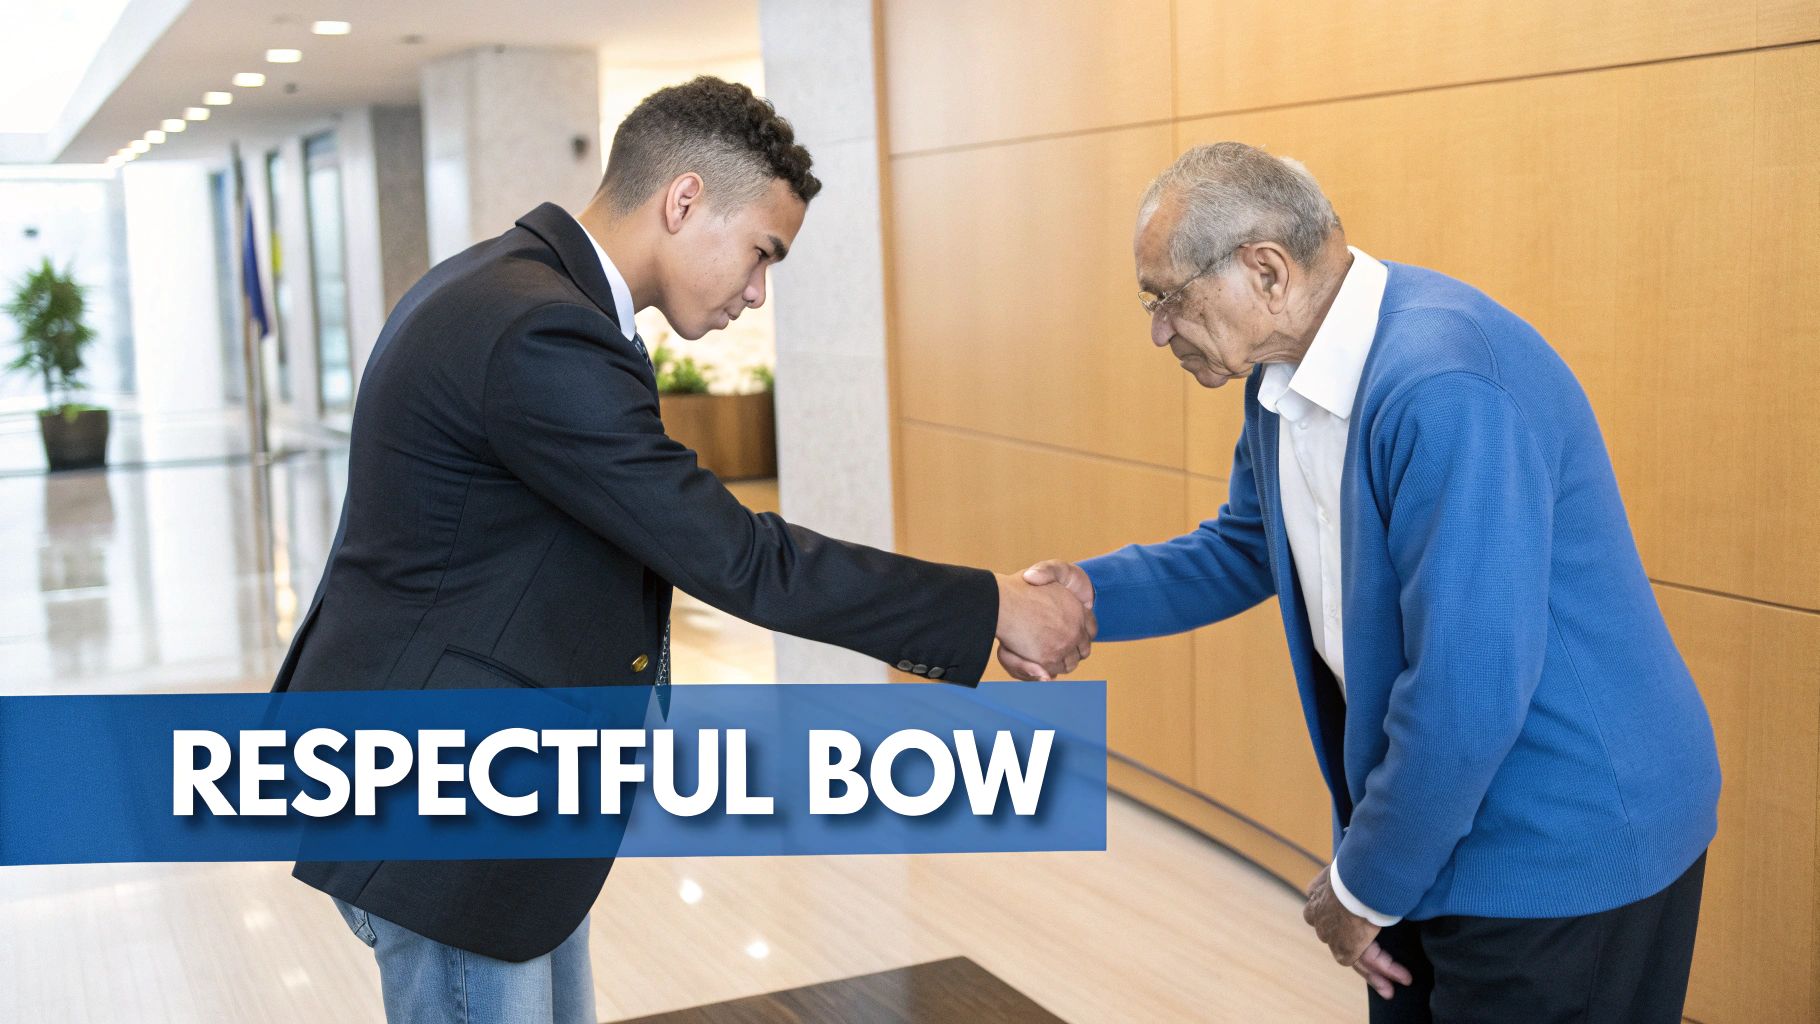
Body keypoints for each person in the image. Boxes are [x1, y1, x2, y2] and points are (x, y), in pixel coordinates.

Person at [272, 76, 1092, 1024]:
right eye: (759, 253)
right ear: (685, 199)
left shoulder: (516, 288)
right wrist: (990, 606)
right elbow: (736, 557)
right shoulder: (539, 326)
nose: (757, 291)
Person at [1011, 142, 1719, 1023]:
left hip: (1564, 834)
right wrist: (1081, 596)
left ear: (1265, 269)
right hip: (1440, 821)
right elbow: (1247, 545)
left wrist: (1362, 886)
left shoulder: (1443, 382)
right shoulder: (1283, 375)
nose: (1158, 328)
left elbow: (1467, 692)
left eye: (1167, 298)